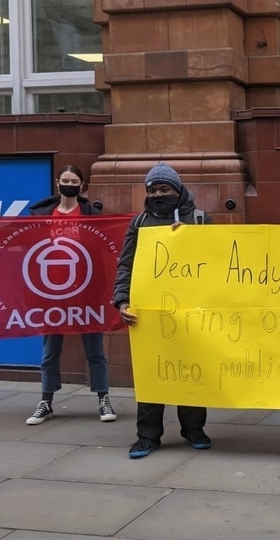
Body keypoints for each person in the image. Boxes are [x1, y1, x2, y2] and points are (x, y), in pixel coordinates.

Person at [113, 162, 213, 459]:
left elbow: (215, 264)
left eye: (164, 188)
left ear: (177, 189)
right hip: (149, 312)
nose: (158, 194)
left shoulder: (199, 219)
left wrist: (189, 240)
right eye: (153, 189)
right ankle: (147, 436)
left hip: (189, 312)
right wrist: (121, 301)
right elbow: (126, 264)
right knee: (151, 372)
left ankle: (193, 429)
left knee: (191, 371)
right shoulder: (140, 222)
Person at [24, 165, 116, 425]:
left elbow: (109, 243)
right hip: (51, 292)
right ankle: (46, 401)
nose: (69, 184)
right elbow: (15, 240)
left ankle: (103, 397)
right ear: (57, 183)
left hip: (86, 290)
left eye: (74, 181)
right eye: (65, 180)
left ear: (82, 185)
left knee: (94, 349)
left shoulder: (92, 214)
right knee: (50, 350)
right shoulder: (41, 214)